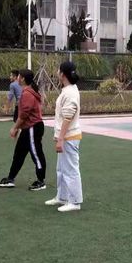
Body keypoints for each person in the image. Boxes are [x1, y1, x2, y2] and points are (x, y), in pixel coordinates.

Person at [0, 69, 47, 191]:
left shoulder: (27, 94)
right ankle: (10, 179)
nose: (16, 78)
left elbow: (24, 115)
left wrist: (14, 128)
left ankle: (41, 181)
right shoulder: (27, 91)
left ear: (22, 79)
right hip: (28, 129)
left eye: (18, 76)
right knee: (19, 153)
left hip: (33, 128)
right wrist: (19, 128)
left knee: (36, 154)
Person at [45, 61, 84, 212]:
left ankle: (75, 201)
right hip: (66, 136)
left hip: (69, 137)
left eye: (58, 70)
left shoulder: (70, 92)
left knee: (71, 169)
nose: (57, 73)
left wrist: (60, 138)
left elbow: (68, 117)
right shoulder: (68, 90)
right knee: (61, 169)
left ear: (62, 74)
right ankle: (62, 197)